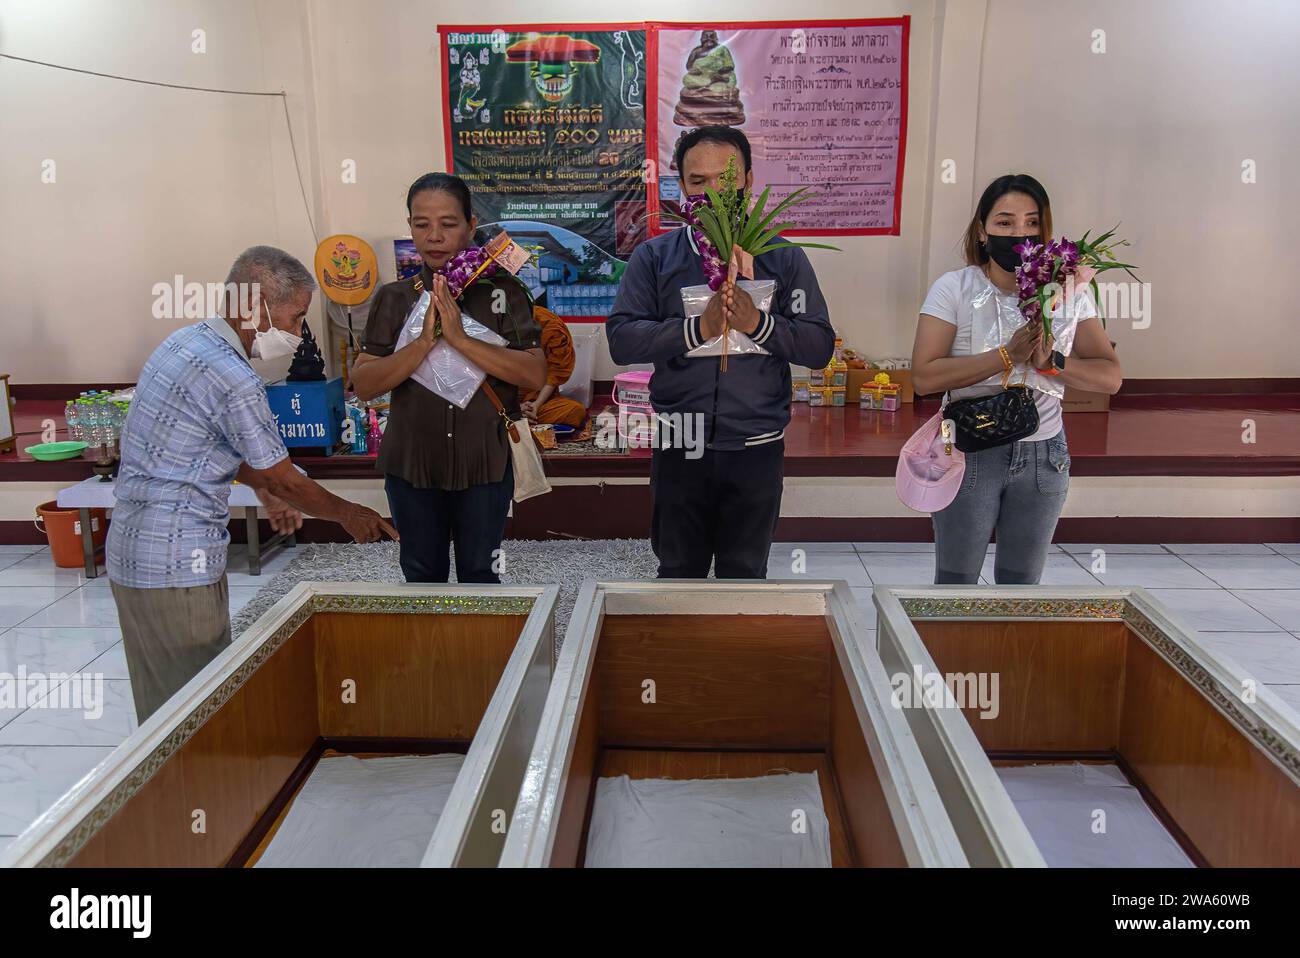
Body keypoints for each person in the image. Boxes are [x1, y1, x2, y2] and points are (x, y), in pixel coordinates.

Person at [108, 245, 396, 722]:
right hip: (176, 566)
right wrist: (351, 513)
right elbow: (283, 476)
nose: (300, 333)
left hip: (135, 555)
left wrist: (264, 487)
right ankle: (189, 797)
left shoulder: (182, 343)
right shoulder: (233, 375)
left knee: (160, 705)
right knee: (193, 718)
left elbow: (206, 447)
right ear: (256, 306)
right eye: (296, 317)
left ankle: (179, 792)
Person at [607, 126, 834, 578]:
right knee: (677, 569)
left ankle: (736, 648)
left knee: (745, 574)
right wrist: (699, 328)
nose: (712, 194)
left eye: (725, 180)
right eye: (698, 182)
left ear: (748, 179)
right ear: (681, 185)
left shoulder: (784, 260)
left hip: (756, 446)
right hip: (680, 441)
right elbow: (623, 340)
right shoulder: (654, 258)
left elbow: (818, 347)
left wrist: (757, 323)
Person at [911, 173, 1122, 584]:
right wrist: (1006, 356)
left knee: (1021, 587)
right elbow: (924, 376)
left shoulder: (1067, 292)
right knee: (956, 586)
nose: (1020, 233)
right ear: (982, 230)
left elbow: (1110, 376)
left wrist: (1054, 363)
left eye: (1032, 223)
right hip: (971, 450)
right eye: (1005, 222)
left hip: (1044, 454)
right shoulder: (953, 288)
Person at [352, 173, 545, 583]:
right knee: (421, 576)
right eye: (421, 224)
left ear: (472, 225)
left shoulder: (503, 292)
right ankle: (428, 649)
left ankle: (488, 650)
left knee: (482, 574)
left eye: (448, 223)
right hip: (412, 461)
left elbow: (532, 372)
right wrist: (422, 343)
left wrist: (458, 338)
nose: (434, 235)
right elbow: (365, 384)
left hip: (485, 461)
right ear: (410, 228)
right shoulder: (396, 297)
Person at [520, 305, 586, 429]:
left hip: (539, 399)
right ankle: (514, 416)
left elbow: (555, 373)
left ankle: (520, 418)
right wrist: (514, 408)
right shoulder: (492, 324)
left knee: (575, 411)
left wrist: (535, 405)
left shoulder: (548, 324)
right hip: (501, 401)